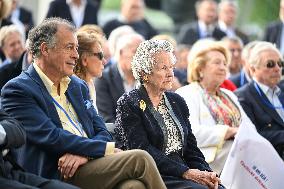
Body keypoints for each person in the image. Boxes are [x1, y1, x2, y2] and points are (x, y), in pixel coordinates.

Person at [1, 17, 167, 189]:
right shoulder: (18, 90)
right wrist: (99, 149)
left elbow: (102, 130)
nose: (76, 55)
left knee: (133, 186)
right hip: (59, 171)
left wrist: (87, 155)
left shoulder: (77, 85)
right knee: (140, 158)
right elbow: (52, 137)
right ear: (45, 49)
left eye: (76, 48)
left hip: (88, 162)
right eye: (69, 47)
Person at [114, 39, 224, 189]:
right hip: (154, 172)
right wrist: (186, 172)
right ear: (145, 73)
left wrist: (207, 172)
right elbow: (142, 150)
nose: (170, 73)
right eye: (163, 68)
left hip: (183, 170)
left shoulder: (176, 100)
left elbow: (191, 147)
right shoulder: (129, 102)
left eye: (171, 67)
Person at [176, 41, 254, 174]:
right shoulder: (187, 93)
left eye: (225, 63)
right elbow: (190, 133)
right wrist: (227, 132)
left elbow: (249, 126)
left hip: (239, 151)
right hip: (208, 159)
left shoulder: (229, 95)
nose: (223, 67)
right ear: (200, 68)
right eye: (217, 63)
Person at [0, 109, 80, 189]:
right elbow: (52, 136)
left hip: (8, 172)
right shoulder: (17, 97)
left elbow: (18, 130)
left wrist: (86, 154)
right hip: (58, 167)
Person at [235, 41, 284, 160]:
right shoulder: (242, 96)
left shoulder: (281, 90)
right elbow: (251, 136)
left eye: (280, 63)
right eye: (270, 64)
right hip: (269, 160)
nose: (277, 68)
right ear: (253, 69)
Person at [95, 32, 144, 122]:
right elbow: (107, 119)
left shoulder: (146, 80)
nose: (141, 57)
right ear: (121, 52)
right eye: (135, 52)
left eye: (143, 53)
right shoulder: (103, 79)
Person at [74, 31, 106, 110]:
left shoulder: (89, 83)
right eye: (100, 55)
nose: (104, 61)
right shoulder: (73, 87)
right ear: (84, 59)